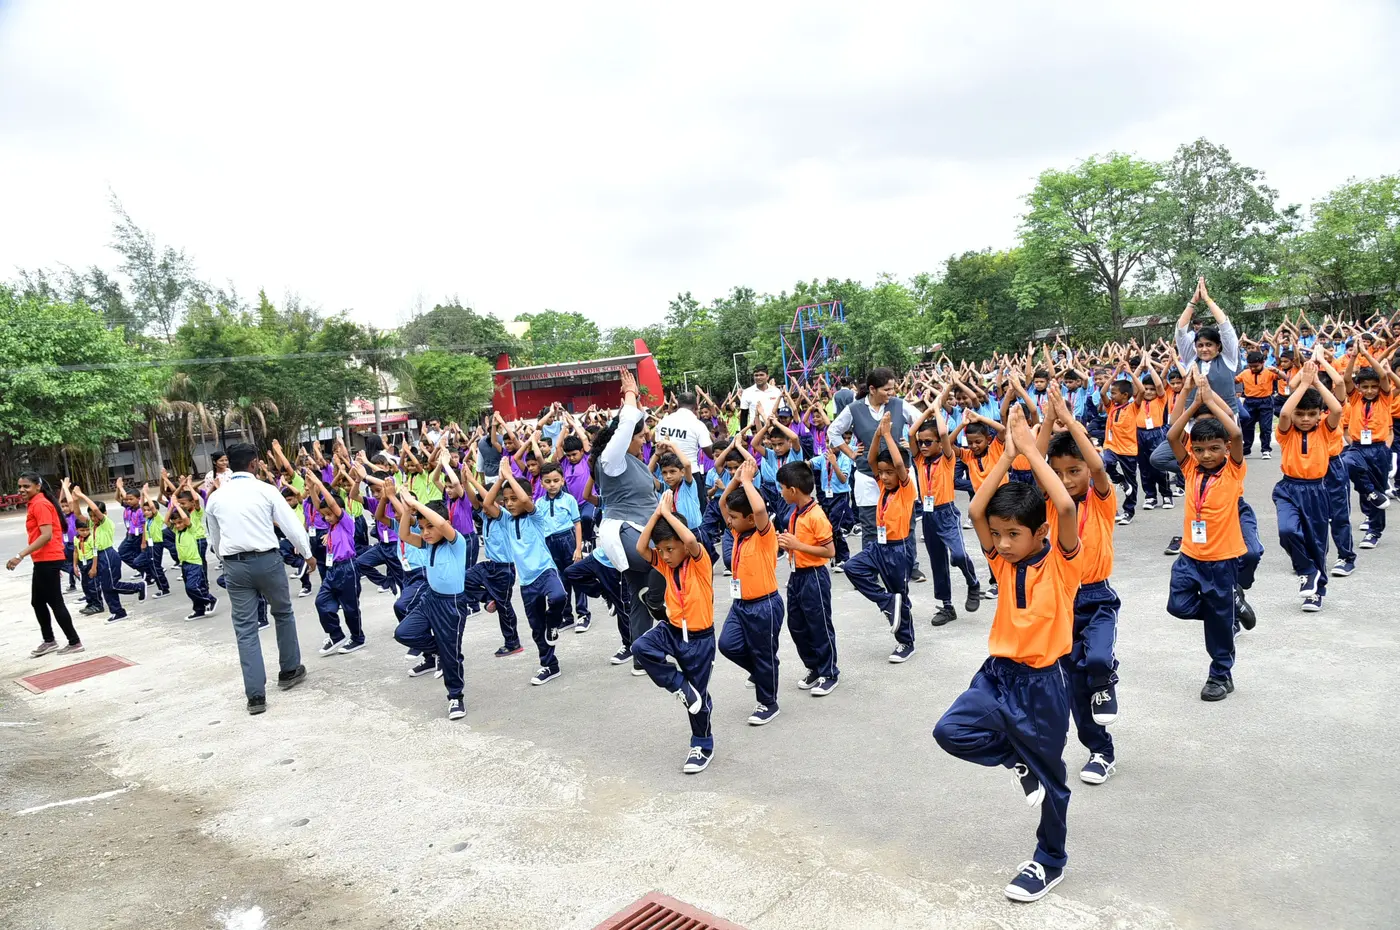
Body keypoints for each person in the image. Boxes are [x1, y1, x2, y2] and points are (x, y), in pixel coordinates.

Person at [934, 405, 1081, 904]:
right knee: (949, 731)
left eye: (1013, 534)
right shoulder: (1001, 561)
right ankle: (1014, 762)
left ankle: (1049, 861)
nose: (1000, 543)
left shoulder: (1061, 562)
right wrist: (1009, 454)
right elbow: (976, 510)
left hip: (1041, 685)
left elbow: (1062, 508)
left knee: (1053, 783)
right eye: (998, 536)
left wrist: (1032, 454)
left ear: (1038, 534)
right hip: (996, 675)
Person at [1040, 389, 1120, 786]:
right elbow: (1035, 463)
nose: (1066, 479)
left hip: (1097, 597)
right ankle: (1101, 751)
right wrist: (1045, 421)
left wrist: (1069, 421)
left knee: (1099, 661)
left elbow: (1099, 467)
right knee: (1075, 688)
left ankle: (1106, 681)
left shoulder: (1101, 499)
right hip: (1062, 601)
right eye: (1058, 473)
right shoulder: (1053, 505)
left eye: (1074, 471)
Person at [203, 442, 312, 716]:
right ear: (253, 464)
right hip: (267, 560)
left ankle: (255, 696)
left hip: (234, 566)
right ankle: (289, 670)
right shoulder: (266, 490)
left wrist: (223, 558)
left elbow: (213, 537)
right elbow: (291, 525)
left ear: (230, 465)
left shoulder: (216, 497)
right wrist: (308, 554)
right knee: (283, 613)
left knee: (245, 628)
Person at [1165, 371, 1249, 702]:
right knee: (1178, 605)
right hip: (1189, 556)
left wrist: (1211, 400)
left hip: (1220, 560)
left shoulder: (1233, 468)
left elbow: (1237, 434)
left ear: (1225, 449)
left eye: (1214, 448)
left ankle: (1220, 674)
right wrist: (1193, 403)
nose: (1206, 455)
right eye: (1199, 449)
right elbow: (1173, 436)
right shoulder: (1190, 468)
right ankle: (1228, 608)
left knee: (1217, 623)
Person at [632, 492, 717, 773]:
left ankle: (702, 745)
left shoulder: (698, 561)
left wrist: (668, 514)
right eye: (663, 550)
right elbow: (642, 548)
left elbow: (691, 541)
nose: (665, 556)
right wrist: (657, 514)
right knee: (641, 648)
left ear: (682, 545)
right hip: (671, 630)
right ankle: (680, 685)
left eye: (671, 549)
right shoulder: (665, 564)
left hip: (699, 638)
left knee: (698, 702)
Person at [592, 368, 661, 675]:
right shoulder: (611, 461)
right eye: (641, 437)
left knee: (637, 597)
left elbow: (635, 426)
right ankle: (661, 607)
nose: (644, 440)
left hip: (645, 530)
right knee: (664, 566)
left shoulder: (633, 461)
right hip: (627, 533)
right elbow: (625, 429)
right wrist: (630, 396)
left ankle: (642, 656)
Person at [484, 459, 568, 686]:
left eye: (513, 499)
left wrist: (510, 476)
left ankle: (554, 624)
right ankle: (549, 665)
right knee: (536, 627)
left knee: (559, 597)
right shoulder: (505, 520)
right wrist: (501, 478)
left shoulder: (536, 515)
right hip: (527, 582)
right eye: (506, 500)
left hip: (545, 571)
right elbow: (487, 503)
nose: (510, 504)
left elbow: (524, 499)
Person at [842, 412, 917, 663]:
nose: (883, 477)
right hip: (879, 546)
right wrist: (877, 434)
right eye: (881, 473)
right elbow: (871, 458)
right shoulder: (884, 486)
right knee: (853, 568)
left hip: (898, 549)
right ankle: (886, 602)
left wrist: (888, 435)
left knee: (900, 594)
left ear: (901, 472)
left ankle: (906, 642)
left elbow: (898, 464)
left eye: (889, 473)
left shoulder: (907, 488)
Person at [718, 457, 786, 725]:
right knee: (727, 644)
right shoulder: (738, 533)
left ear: (749, 518)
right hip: (740, 604)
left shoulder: (763, 534)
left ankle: (768, 703)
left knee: (763, 654)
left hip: (764, 604)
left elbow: (759, 511)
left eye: (735, 518)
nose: (730, 522)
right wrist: (737, 479)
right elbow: (724, 503)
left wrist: (747, 482)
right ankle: (763, 670)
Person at [392, 490, 472, 719]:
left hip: (452, 605)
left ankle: (456, 698)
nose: (425, 532)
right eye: (423, 527)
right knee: (403, 632)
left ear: (443, 524)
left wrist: (416, 502)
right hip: (430, 599)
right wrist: (408, 510)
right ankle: (438, 650)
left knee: (452, 657)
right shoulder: (427, 544)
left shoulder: (457, 542)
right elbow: (405, 535)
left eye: (430, 527)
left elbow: (442, 524)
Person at [1273, 362, 1344, 612]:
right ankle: (1306, 569)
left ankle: (1316, 592)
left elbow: (1336, 407)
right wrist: (1302, 384)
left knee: (1316, 542)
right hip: (1289, 489)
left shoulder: (1325, 430)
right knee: (1287, 531)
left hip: (1316, 490)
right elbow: (1283, 414)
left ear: (1318, 415)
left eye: (1311, 414)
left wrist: (1315, 383)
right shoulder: (1286, 431)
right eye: (1300, 414)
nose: (1305, 419)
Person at [910, 389, 982, 625]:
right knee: (937, 562)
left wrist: (937, 410)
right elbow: (912, 432)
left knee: (959, 554)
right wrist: (927, 412)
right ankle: (947, 606)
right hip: (929, 517)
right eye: (921, 443)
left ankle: (973, 582)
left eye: (928, 442)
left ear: (940, 445)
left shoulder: (947, 458)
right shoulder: (920, 460)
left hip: (946, 512)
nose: (922, 446)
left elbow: (942, 432)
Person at [776, 461, 839, 696]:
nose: (780, 492)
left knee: (819, 625)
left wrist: (797, 545)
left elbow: (830, 552)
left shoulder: (816, 515)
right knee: (797, 625)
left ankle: (829, 672)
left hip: (813, 575)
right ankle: (814, 667)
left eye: (782, 488)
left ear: (793, 490)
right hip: (796, 576)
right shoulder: (794, 512)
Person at [8, 473, 84, 657]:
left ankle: (74, 642)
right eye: (20, 487)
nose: (22, 490)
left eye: (26, 486)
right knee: (38, 602)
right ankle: (49, 640)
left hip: (47, 558)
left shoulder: (40, 504)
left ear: (37, 487)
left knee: (55, 602)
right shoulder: (37, 502)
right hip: (43, 560)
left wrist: (20, 555)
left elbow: (46, 535)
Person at [69, 486, 146, 622]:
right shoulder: (92, 525)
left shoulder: (106, 523)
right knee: (106, 587)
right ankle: (118, 612)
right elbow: (77, 514)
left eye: (95, 516)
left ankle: (138, 587)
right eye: (91, 516)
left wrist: (83, 495)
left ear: (105, 513)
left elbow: (96, 510)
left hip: (108, 554)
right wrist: (75, 500)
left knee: (112, 585)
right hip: (98, 555)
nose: (93, 518)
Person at [655, 391, 714, 476]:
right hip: (690, 472)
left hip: (666, 474)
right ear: (696, 407)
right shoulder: (698, 424)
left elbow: (657, 444)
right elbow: (711, 454)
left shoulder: (663, 422)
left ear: (678, 405)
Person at [1237, 351, 1280, 458]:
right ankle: (1246, 449)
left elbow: (1284, 377)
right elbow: (1235, 381)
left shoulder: (1269, 372)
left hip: (1265, 402)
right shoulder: (1245, 373)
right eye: (1251, 366)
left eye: (1256, 366)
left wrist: (1277, 371)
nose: (1253, 368)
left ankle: (1265, 450)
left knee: (1265, 427)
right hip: (1249, 402)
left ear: (1263, 363)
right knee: (1247, 426)